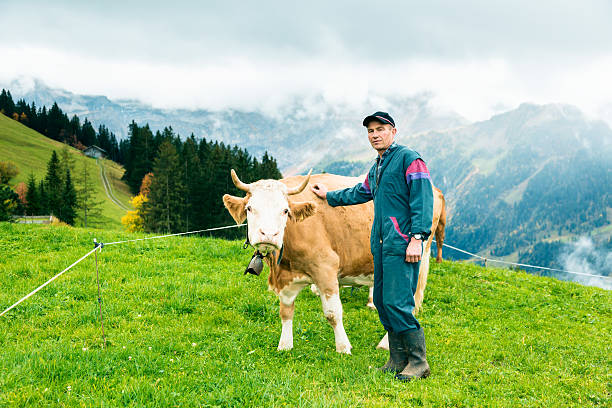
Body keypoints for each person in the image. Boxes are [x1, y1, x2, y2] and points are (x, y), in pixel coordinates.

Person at [311, 111, 434, 381]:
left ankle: (418, 362)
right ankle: (397, 358)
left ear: (393, 131)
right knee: (381, 300)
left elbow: (423, 199)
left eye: (380, 129)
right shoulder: (378, 165)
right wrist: (329, 195)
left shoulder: (409, 159)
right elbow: (361, 191)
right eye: (370, 131)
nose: (374, 134)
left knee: (399, 303)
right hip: (381, 245)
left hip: (403, 244)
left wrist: (417, 238)